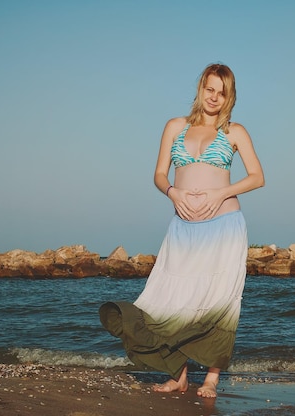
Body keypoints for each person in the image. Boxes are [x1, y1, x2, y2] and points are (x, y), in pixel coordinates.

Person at [99, 63, 264, 399]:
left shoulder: (235, 132)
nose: (214, 97)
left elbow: (257, 177)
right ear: (200, 88)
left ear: (229, 96)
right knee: (169, 300)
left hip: (224, 227)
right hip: (183, 228)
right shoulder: (175, 126)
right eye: (210, 89)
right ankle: (180, 375)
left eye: (222, 92)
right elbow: (160, 175)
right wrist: (173, 192)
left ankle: (211, 380)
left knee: (219, 301)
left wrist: (220, 192)